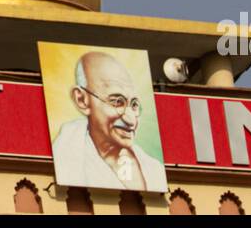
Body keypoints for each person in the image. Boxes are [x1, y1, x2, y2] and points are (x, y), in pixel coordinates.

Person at [51, 51, 166, 191]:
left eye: (134, 105)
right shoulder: (66, 154)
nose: (131, 120)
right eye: (117, 102)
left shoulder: (153, 170)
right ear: (82, 100)